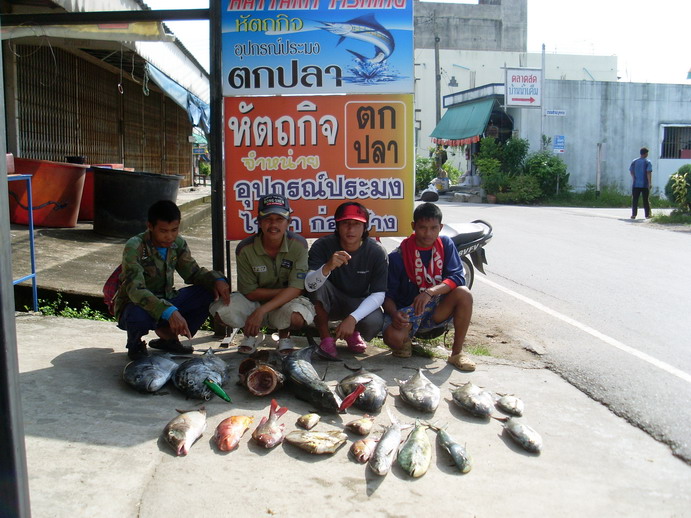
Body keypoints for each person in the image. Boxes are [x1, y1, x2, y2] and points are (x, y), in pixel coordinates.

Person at [115, 200, 230, 361]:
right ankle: (135, 344)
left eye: (174, 230)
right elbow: (135, 290)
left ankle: (169, 338)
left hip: (168, 298)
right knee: (137, 315)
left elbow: (193, 273)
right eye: (163, 231)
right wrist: (168, 311)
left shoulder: (178, 243)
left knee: (207, 291)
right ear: (150, 226)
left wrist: (216, 279)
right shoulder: (135, 246)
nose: (169, 236)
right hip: (138, 303)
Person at [212, 194, 314, 355]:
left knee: (297, 316)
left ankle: (284, 336)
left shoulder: (299, 245)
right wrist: (289, 291)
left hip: (284, 304)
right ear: (259, 222)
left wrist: (262, 311)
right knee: (221, 313)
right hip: (255, 302)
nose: (273, 225)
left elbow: (297, 290)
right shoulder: (245, 249)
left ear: (289, 221)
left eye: (279, 219)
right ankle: (251, 334)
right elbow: (249, 292)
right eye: (268, 219)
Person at [382, 202, 476, 372]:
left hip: (438, 308)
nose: (428, 233)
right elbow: (387, 295)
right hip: (409, 312)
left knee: (464, 293)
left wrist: (430, 292)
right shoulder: (397, 256)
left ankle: (457, 353)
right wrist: (395, 314)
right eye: (422, 228)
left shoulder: (446, 245)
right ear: (413, 226)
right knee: (392, 338)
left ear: (440, 227)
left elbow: (457, 277)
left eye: (433, 228)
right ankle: (406, 341)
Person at [305, 202, 388, 359]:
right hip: (329, 302)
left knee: (374, 321)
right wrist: (327, 268)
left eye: (356, 224)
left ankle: (351, 332)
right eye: (345, 223)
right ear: (337, 226)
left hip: (357, 302)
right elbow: (309, 285)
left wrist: (353, 318)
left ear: (365, 227)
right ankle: (326, 338)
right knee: (318, 284)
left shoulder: (376, 251)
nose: (350, 229)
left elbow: (379, 294)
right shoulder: (322, 245)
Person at [630, 147, 653, 219]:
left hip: (636, 184)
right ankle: (647, 215)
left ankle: (634, 214)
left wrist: (634, 178)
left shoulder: (634, 161)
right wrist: (650, 183)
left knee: (635, 200)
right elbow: (648, 173)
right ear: (646, 154)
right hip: (644, 184)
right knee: (646, 200)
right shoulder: (647, 162)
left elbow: (631, 171)